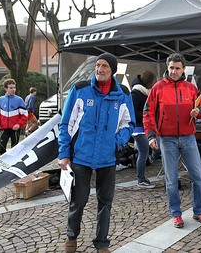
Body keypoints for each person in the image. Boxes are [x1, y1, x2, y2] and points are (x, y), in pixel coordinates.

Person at [58, 52, 135, 253]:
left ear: (112, 71)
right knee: (78, 201)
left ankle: (102, 244)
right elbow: (66, 124)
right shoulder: (80, 90)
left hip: (108, 158)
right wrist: (64, 153)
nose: (99, 70)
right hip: (81, 157)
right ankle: (71, 237)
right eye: (98, 66)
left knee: (105, 202)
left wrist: (116, 142)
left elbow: (129, 124)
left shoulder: (123, 94)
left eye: (104, 67)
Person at [143, 53, 201, 228]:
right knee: (172, 179)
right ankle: (176, 214)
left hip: (189, 138)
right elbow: (148, 113)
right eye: (171, 67)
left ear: (183, 69)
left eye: (177, 68)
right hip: (167, 139)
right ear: (168, 67)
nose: (174, 71)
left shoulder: (191, 88)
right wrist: (151, 136)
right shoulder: (158, 88)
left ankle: (199, 211)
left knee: (198, 176)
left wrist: (199, 112)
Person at [131, 70, 157, 188]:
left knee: (147, 151)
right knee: (143, 152)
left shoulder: (146, 92)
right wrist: (144, 115)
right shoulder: (136, 93)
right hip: (138, 127)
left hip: (144, 126)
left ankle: (142, 177)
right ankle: (141, 179)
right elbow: (132, 111)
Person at [0, 78, 28, 155]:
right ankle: (4, 162)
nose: (13, 90)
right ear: (6, 88)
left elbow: (25, 115)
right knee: (1, 148)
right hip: (3, 128)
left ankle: (13, 163)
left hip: (15, 129)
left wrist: (19, 124)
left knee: (14, 150)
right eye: (11, 88)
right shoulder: (0, 100)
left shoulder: (19, 100)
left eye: (14, 87)